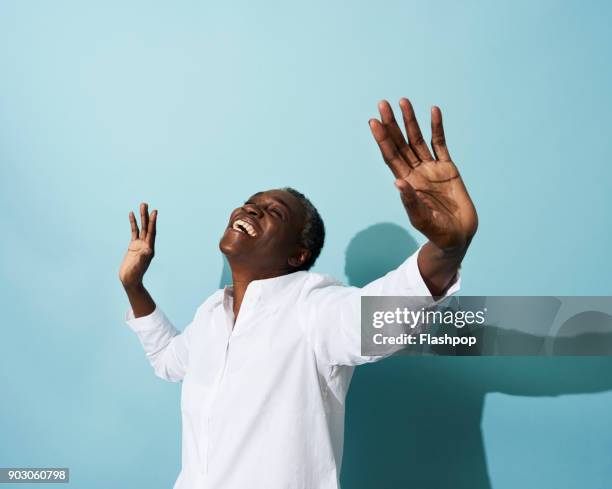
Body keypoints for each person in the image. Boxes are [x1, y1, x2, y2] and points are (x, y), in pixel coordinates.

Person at [119, 98, 478, 489]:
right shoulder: (211, 314)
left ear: (298, 254)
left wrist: (447, 248)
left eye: (274, 212)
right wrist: (134, 287)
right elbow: (168, 360)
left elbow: (379, 315)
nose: (251, 210)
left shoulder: (314, 307)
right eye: (251, 203)